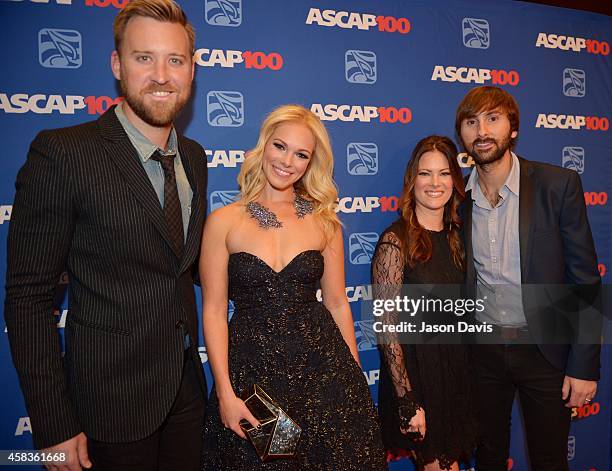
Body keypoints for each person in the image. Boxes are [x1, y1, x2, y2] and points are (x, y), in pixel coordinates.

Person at [4, 1, 208, 470]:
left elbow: (182, 262)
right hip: (109, 406)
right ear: (117, 65)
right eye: (144, 58)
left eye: (175, 60)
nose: (161, 75)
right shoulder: (63, 154)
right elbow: (28, 297)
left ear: (191, 70)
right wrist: (53, 423)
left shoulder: (194, 157)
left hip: (185, 393)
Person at [199, 104, 386, 469]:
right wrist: (224, 390)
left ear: (311, 163)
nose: (287, 161)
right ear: (264, 145)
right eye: (280, 146)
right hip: (253, 376)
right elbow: (214, 310)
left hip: (322, 372)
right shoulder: (224, 221)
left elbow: (336, 303)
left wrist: (355, 380)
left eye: (301, 154)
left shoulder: (324, 222)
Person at [456, 86, 601, 470]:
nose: (482, 131)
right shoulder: (455, 196)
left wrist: (584, 366)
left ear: (513, 129)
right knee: (487, 456)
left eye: (493, 119)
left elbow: (584, 281)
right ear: (463, 135)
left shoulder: (558, 185)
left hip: (545, 352)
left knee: (549, 459)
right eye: (471, 122)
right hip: (482, 353)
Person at [371, 136, 478, 471]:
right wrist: (407, 400)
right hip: (420, 382)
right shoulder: (395, 241)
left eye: (444, 173)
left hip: (458, 379)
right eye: (425, 173)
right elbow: (386, 328)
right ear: (412, 180)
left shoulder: (459, 237)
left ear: (455, 181)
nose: (435, 183)